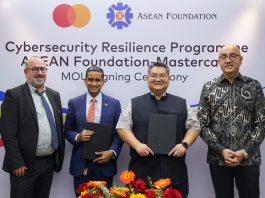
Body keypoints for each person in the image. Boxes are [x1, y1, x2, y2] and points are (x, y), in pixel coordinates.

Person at [116, 62, 200, 198]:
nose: (158, 79)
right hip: (141, 173)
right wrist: (137, 145)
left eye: (162, 76)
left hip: (174, 173)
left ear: (169, 78)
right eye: (153, 75)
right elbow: (122, 127)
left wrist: (184, 144)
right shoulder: (134, 103)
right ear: (147, 78)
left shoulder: (182, 103)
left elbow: (195, 127)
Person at [198, 45, 265, 198]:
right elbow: (202, 124)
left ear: (241, 60)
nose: (228, 60)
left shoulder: (254, 86)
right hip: (218, 159)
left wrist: (245, 151)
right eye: (223, 56)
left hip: (249, 159)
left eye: (233, 56)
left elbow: (261, 123)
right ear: (218, 61)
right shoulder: (209, 87)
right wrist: (221, 150)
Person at [0, 56, 65, 198]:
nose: (40, 73)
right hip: (24, 165)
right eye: (35, 69)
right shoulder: (14, 95)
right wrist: (17, 163)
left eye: (43, 69)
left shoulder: (54, 95)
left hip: (48, 162)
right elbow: (7, 133)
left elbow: (59, 128)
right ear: (26, 72)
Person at [64, 66, 123, 195]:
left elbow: (119, 134)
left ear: (103, 81)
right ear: (85, 81)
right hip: (81, 164)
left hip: (105, 164)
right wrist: (77, 137)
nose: (94, 83)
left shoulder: (114, 104)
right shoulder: (74, 103)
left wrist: (112, 152)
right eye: (90, 79)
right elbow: (68, 130)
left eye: (98, 80)